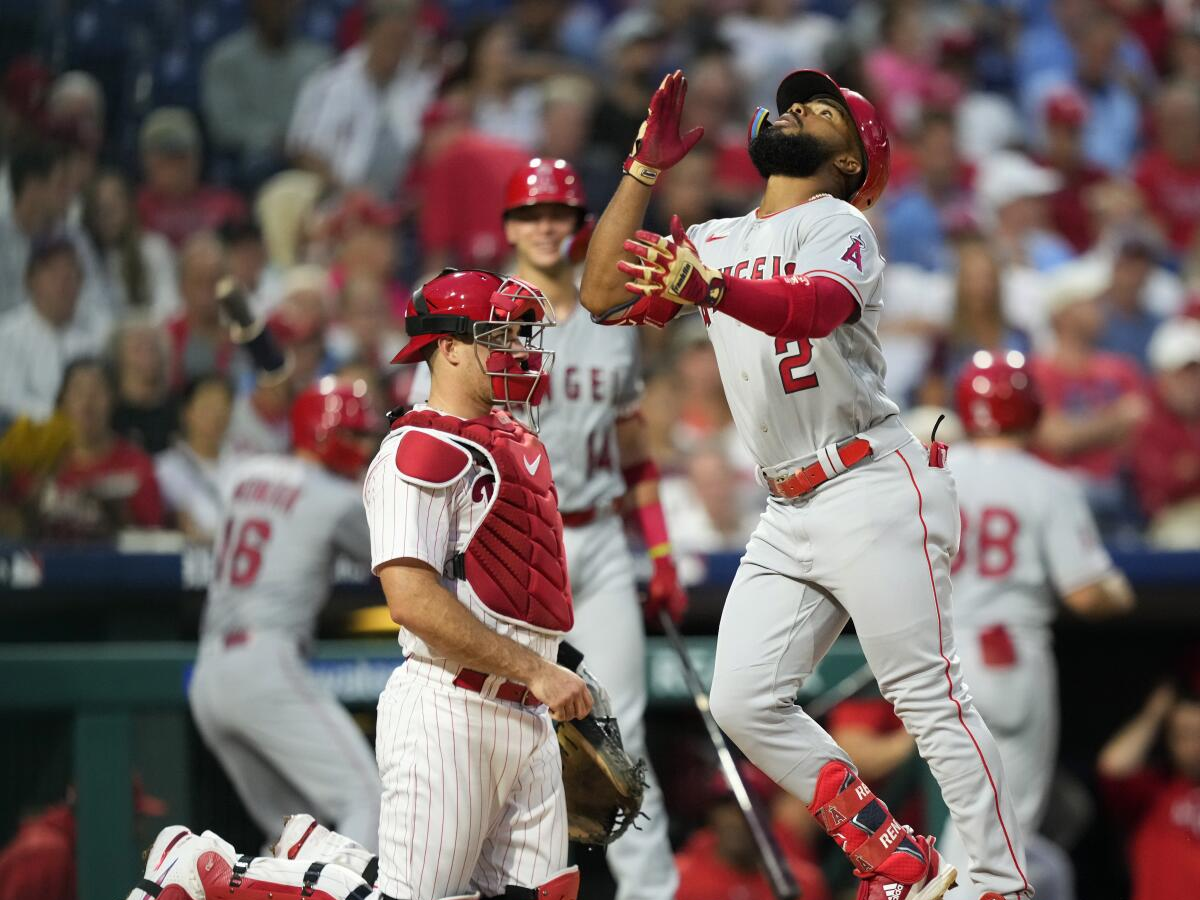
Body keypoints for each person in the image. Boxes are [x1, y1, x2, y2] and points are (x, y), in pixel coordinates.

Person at [581, 69, 1031, 900]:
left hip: (869, 479)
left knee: (928, 696)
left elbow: (816, 309)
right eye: (795, 102)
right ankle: (890, 850)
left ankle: (1002, 882)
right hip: (787, 504)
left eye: (824, 111)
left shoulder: (841, 224)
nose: (798, 110)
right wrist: (642, 171)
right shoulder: (713, 236)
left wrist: (708, 288)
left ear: (853, 164)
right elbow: (602, 294)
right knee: (745, 700)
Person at [363, 268, 591, 899]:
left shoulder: (516, 442)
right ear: (449, 346)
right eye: (500, 334)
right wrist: (536, 671)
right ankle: (252, 877)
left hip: (527, 714)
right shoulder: (417, 448)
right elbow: (410, 602)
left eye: (521, 334)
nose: (518, 349)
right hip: (447, 710)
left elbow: (517, 593)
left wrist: (557, 670)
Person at [502, 156, 682, 900]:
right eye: (531, 213)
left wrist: (661, 546)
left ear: (580, 225)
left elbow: (633, 442)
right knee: (515, 741)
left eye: (561, 213)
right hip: (518, 546)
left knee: (622, 735)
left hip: (601, 540)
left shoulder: (612, 317)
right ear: (509, 225)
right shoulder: (488, 308)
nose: (547, 225)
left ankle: (652, 894)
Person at [938, 351, 1135, 900]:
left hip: (939, 659)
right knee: (1006, 829)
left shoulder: (932, 472)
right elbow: (1086, 594)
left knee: (968, 816)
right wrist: (1120, 593)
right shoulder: (1047, 483)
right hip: (1009, 655)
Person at [188, 378, 384, 849]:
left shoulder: (244, 474)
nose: (363, 447)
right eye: (354, 436)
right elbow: (401, 560)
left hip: (207, 678)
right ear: (324, 434)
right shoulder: (334, 500)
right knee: (367, 800)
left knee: (296, 835)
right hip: (265, 663)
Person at [287, 0, 436, 199]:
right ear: (368, 33)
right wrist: (344, 190)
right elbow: (303, 150)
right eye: (389, 37)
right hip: (340, 198)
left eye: (403, 39)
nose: (396, 47)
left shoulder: (421, 86)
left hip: (404, 204)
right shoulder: (330, 83)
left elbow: (427, 149)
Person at [31, 358, 164, 540]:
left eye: (97, 392)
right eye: (78, 392)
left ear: (113, 400)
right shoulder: (37, 461)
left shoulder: (136, 466)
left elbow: (153, 540)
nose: (87, 403)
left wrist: (119, 517)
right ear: (62, 401)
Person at [201, 0, 330, 183]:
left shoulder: (319, 60)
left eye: (287, 3)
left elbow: (329, 119)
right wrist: (275, 140)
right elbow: (223, 125)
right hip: (249, 160)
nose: (280, 8)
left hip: (309, 158)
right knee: (257, 163)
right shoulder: (226, 59)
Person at [1096, 678, 1200, 900]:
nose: (1193, 745)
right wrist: (1153, 714)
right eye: (1183, 735)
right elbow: (1111, 767)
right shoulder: (1155, 790)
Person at [0, 236, 106, 421]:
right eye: (53, 272)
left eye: (70, 271)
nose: (63, 281)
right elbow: (9, 398)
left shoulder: (98, 330)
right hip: (31, 439)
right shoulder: (8, 333)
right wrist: (65, 418)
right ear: (31, 281)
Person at [1131, 317, 1200, 548]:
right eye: (1183, 375)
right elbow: (1161, 487)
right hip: (1173, 523)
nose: (1193, 384)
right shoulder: (1146, 420)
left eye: (1197, 375)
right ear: (1162, 377)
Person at [136, 108, 247, 248]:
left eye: (179, 155)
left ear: (197, 157)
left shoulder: (226, 205)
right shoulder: (135, 209)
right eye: (162, 157)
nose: (172, 168)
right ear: (145, 161)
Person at [155, 375, 234, 543]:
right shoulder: (164, 468)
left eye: (223, 406)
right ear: (186, 412)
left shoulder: (244, 464)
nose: (216, 415)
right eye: (208, 406)